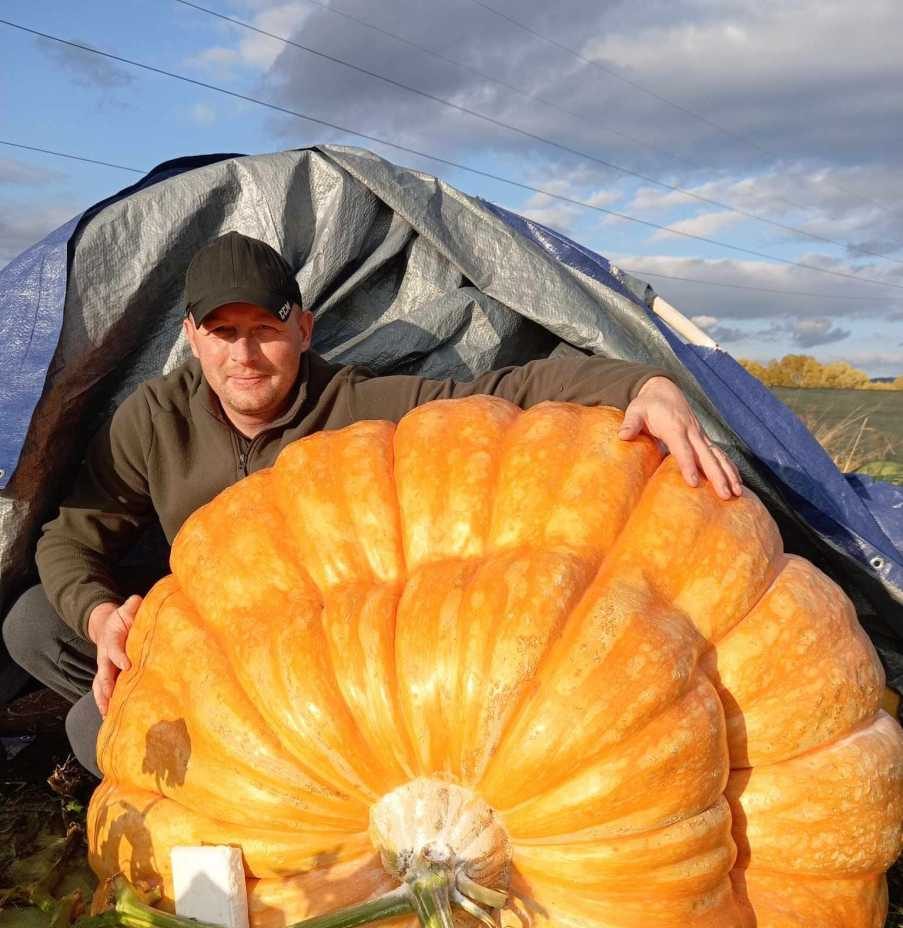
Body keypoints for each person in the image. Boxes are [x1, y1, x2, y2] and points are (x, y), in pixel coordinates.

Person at [2, 232, 741, 777]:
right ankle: (175, 725)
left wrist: (644, 385)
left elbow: (506, 393)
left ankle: (240, 771)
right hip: (206, 633)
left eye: (264, 330)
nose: (244, 355)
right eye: (223, 333)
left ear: (302, 328)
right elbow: (70, 537)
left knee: (86, 729)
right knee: (32, 620)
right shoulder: (155, 416)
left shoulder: (359, 407)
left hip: (311, 666)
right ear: (192, 336)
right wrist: (104, 618)